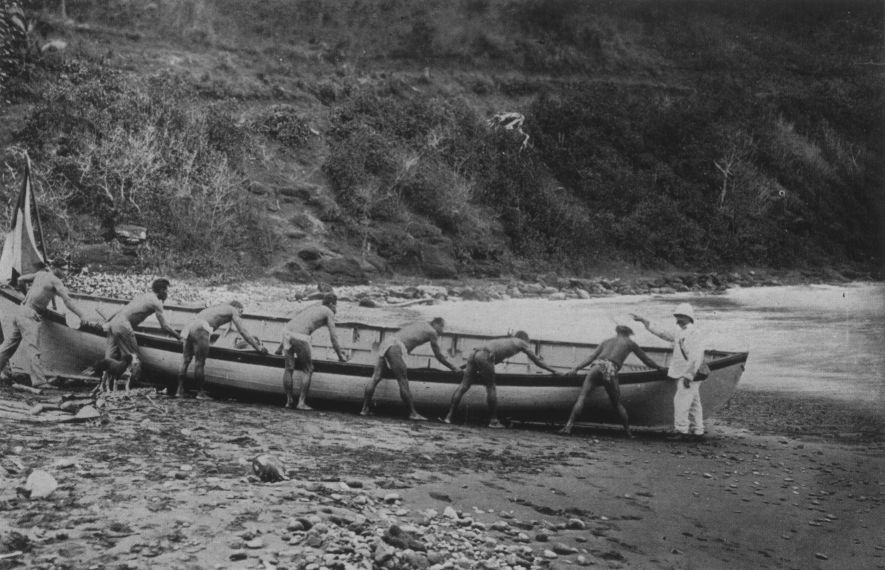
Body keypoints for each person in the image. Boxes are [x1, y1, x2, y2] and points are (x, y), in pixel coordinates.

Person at [558, 323, 666, 438]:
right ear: (629, 333)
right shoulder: (630, 343)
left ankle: (568, 426)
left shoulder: (606, 341)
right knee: (616, 403)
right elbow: (646, 360)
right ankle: (628, 433)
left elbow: (591, 357)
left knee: (582, 397)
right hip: (610, 367)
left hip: (597, 365)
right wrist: (659, 368)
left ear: (617, 331)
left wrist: (576, 368)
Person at [0, 262, 90, 387]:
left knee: (7, 347)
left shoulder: (40, 274)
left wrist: (26, 295)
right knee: (32, 349)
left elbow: (20, 279)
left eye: (66, 269)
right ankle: (39, 382)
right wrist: (82, 315)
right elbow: (67, 301)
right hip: (30, 316)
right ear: (55, 268)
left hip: (21, 310)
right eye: (63, 269)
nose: (65, 272)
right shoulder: (55, 281)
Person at [443, 331, 558, 428]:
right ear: (525, 339)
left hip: (474, 352)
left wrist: (460, 368)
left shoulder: (505, 342)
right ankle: (493, 421)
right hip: (485, 354)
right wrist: (554, 371)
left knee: (464, 386)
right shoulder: (521, 341)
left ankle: (448, 417)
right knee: (491, 387)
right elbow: (536, 360)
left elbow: (479, 357)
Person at [631, 303, 707, 440]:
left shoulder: (695, 333)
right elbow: (663, 333)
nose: (678, 319)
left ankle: (681, 431)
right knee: (694, 403)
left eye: (681, 316)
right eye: (677, 316)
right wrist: (644, 321)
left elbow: (697, 356)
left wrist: (689, 376)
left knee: (681, 401)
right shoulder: (680, 331)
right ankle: (698, 431)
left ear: (689, 317)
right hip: (686, 372)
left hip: (689, 373)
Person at [361, 317, 460, 421]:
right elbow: (438, 355)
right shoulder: (432, 332)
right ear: (437, 324)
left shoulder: (422, 323)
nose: (442, 331)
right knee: (403, 381)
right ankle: (413, 413)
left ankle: (364, 409)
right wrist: (453, 367)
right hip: (396, 346)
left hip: (387, 342)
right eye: (442, 327)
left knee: (375, 377)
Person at [176, 300, 268, 399]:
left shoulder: (219, 306)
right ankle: (200, 393)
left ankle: (179, 391)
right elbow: (242, 331)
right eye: (241, 312)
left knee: (185, 360)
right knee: (199, 363)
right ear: (237, 307)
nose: (240, 315)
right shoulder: (233, 310)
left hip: (190, 324)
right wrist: (258, 347)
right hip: (201, 326)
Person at [105, 278, 182, 387]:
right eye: (166, 290)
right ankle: (131, 385)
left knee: (109, 357)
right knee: (134, 358)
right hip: (123, 325)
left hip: (114, 322)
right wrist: (179, 337)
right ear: (161, 290)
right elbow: (164, 326)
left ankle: (105, 384)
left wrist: (107, 322)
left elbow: (121, 310)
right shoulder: (156, 302)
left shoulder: (144, 296)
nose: (167, 294)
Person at [280, 293, 347, 410]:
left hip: (286, 331)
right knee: (308, 369)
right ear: (331, 304)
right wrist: (340, 356)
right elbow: (333, 337)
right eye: (336, 305)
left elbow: (297, 320)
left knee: (289, 368)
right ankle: (301, 403)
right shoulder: (329, 312)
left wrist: (279, 348)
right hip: (300, 336)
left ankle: (289, 401)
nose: (336, 308)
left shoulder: (315, 306)